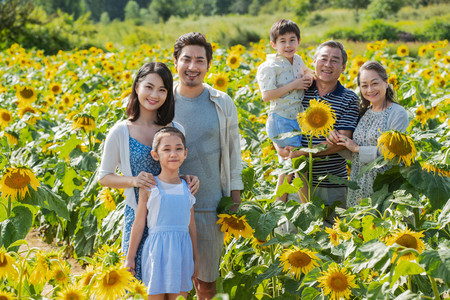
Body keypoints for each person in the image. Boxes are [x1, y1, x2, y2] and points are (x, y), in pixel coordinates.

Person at [98, 62, 199, 281]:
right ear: (137, 87)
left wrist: (187, 178)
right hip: (137, 218)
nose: (155, 95)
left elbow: (173, 170)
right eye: (149, 87)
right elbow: (104, 177)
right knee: (137, 286)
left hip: (171, 223)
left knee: (170, 287)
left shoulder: (176, 129)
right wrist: (135, 181)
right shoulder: (120, 132)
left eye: (162, 90)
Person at [172, 32, 243, 299]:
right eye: (186, 59)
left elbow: (234, 154)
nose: (193, 66)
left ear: (209, 65)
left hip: (210, 206)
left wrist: (234, 200)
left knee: (207, 282)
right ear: (176, 61)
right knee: (175, 282)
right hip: (170, 205)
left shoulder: (222, 102)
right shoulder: (163, 102)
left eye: (200, 60)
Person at [279, 41, 359, 223]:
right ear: (314, 62)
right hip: (296, 183)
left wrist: (303, 153)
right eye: (323, 59)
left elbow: (342, 140)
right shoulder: (299, 90)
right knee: (294, 240)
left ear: (343, 67)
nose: (328, 65)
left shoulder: (349, 99)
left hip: (331, 184)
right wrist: (279, 146)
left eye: (334, 61)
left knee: (332, 238)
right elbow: (278, 117)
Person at [125, 127, 198, 299]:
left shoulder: (187, 188)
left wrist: (196, 259)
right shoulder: (150, 186)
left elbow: (192, 227)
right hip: (156, 252)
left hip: (182, 253)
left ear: (185, 153)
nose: (173, 153)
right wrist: (130, 258)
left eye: (178, 148)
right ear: (155, 155)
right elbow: (139, 223)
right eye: (166, 149)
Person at [328, 61, 409, 207]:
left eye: (374, 83)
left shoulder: (397, 113)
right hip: (359, 185)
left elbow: (394, 155)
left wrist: (357, 149)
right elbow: (354, 155)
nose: (370, 89)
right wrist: (337, 139)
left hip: (386, 186)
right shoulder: (364, 113)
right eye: (364, 85)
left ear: (386, 82)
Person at [256, 19, 314, 202]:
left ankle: (280, 206)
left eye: (292, 40)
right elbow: (266, 96)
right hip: (281, 119)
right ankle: (305, 206)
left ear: (298, 41)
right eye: (282, 41)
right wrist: (294, 85)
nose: (288, 45)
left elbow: (307, 71)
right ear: (274, 44)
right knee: (298, 163)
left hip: (296, 119)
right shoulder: (269, 67)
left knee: (290, 163)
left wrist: (309, 76)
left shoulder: (298, 60)